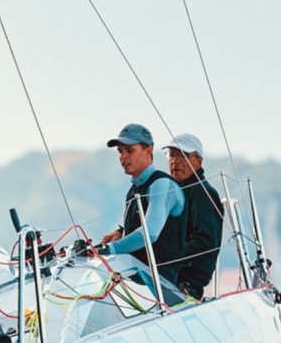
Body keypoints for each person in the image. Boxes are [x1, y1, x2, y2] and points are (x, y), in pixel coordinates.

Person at [95, 123, 186, 284]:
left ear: (149, 150)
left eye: (129, 150)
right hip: (138, 279)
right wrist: (121, 233)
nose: (123, 157)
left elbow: (150, 233)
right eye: (120, 151)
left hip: (162, 285)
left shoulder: (161, 184)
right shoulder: (134, 189)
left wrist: (109, 249)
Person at [162, 133, 225, 299]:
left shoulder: (202, 194)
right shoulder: (171, 192)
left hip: (186, 284)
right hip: (165, 277)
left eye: (183, 155)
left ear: (199, 160)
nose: (175, 161)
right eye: (172, 155)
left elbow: (205, 241)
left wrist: (170, 255)